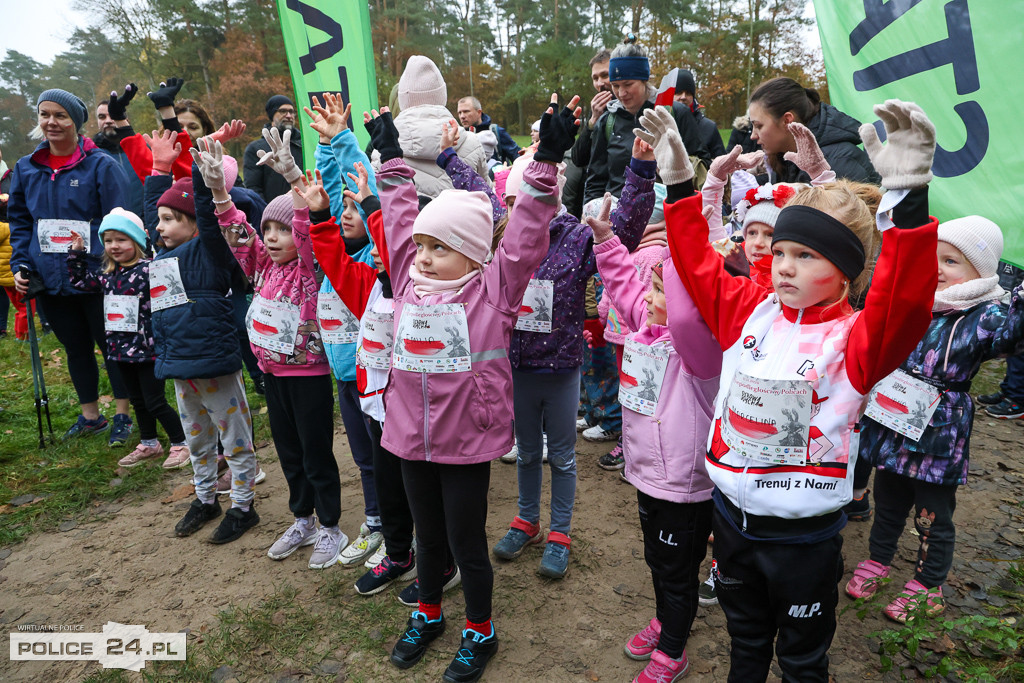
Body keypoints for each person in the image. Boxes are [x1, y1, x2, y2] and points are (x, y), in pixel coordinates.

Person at [654, 99, 939, 681]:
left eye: (806, 256)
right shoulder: (748, 312)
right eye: (781, 252)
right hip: (732, 519)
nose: (784, 266)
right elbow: (697, 265)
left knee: (803, 656)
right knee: (746, 641)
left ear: (845, 271)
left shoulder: (855, 341)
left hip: (804, 536)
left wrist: (908, 199)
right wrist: (682, 187)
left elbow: (903, 303)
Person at [372, 93, 578, 682]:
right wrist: (390, 156)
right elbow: (400, 217)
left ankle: (479, 630)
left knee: (466, 542)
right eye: (426, 247)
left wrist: (544, 164)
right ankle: (430, 612)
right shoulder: (409, 280)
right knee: (428, 539)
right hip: (410, 433)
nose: (428, 258)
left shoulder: (493, 291)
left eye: (444, 249)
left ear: (473, 253)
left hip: (466, 438)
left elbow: (527, 234)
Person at [485, 138, 655, 579]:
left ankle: (559, 531)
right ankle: (527, 520)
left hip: (561, 369)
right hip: (518, 368)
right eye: (516, 199)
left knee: (561, 456)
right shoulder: (502, 238)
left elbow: (624, 233)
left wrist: (638, 170)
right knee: (524, 453)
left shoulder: (577, 239)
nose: (524, 206)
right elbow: (473, 192)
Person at [849, 215, 1024, 622]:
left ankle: (929, 584)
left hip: (939, 432)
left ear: (979, 272)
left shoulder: (987, 316)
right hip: (894, 419)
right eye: (933, 258)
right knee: (888, 499)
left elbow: (1013, 337)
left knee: (932, 512)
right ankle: (878, 560)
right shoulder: (916, 300)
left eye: (951, 261)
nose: (938, 269)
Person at [193, 132, 348, 565]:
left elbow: (307, 234)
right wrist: (220, 193)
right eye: (270, 230)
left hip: (309, 378)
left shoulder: (308, 268)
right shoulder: (260, 265)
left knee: (317, 455)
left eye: (283, 230)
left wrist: (296, 182)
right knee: (289, 455)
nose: (276, 237)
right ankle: (304, 520)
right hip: (273, 377)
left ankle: (331, 528)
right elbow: (238, 235)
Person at [592, 170, 721, 683]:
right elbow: (624, 285)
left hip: (686, 483)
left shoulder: (700, 351)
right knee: (656, 558)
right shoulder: (646, 331)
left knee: (677, 567)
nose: (647, 293)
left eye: (661, 287)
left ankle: (673, 647)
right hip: (647, 473)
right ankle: (667, 617)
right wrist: (605, 240)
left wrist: (688, 251)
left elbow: (688, 318)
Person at [8, 88, 134, 444]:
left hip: (97, 273)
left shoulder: (100, 165)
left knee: (112, 344)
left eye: (60, 115)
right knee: (75, 347)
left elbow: (120, 219)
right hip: (49, 277)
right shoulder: (26, 167)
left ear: (76, 123)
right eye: (45, 114)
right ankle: (91, 415)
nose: (51, 122)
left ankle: (123, 414)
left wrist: (107, 257)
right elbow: (19, 221)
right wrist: (20, 262)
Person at [143, 160, 258, 543]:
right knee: (197, 440)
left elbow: (208, 214)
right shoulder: (160, 259)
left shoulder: (210, 250)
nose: (158, 227)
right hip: (180, 369)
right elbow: (151, 216)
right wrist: (159, 169)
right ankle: (206, 499)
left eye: (168, 219)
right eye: (157, 220)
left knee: (235, 438)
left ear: (193, 222)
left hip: (215, 369)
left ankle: (243, 506)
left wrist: (196, 166)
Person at [305, 93, 385, 569]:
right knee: (363, 456)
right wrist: (325, 145)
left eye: (357, 210)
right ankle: (374, 521)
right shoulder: (334, 253)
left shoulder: (371, 264)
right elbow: (332, 195)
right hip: (344, 373)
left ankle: (397, 527)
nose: (347, 213)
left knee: (386, 455)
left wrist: (346, 142)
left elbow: (361, 192)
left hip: (379, 376)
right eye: (343, 212)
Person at [66, 208, 189, 469]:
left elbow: (172, 300)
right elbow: (79, 282)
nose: (114, 246)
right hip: (120, 350)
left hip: (148, 349)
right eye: (108, 241)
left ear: (136, 241)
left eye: (121, 240)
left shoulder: (150, 270)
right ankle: (149, 442)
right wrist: (76, 253)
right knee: (137, 402)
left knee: (155, 401)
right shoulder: (108, 275)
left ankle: (181, 442)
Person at [584, 40, 707, 204]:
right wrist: (591, 215)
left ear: (644, 79)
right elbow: (596, 179)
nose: (621, 93)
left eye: (628, 84)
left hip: (666, 214)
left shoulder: (675, 112)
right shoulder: (608, 121)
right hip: (617, 217)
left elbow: (701, 165)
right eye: (615, 85)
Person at [372, 55, 490, 198]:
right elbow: (489, 197)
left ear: (403, 99)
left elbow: (377, 203)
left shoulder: (383, 151)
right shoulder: (472, 143)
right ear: (442, 95)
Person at [749, 77, 880, 185]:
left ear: (787, 121)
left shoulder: (838, 161)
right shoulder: (784, 159)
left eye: (759, 126)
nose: (753, 136)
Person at [244, 95, 304, 201]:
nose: (289, 115)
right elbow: (254, 189)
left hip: (305, 211)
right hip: (272, 214)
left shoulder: (303, 145)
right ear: (272, 114)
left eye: (291, 111)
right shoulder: (255, 149)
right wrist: (267, 213)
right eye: (283, 111)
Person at [674, 68, 726, 160]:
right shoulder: (657, 124)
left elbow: (722, 165)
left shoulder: (709, 127)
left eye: (688, 93)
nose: (683, 97)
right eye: (678, 93)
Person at [456, 96, 521, 164]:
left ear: (479, 112)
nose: (462, 116)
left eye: (466, 111)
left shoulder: (496, 132)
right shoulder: (458, 137)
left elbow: (518, 158)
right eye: (459, 113)